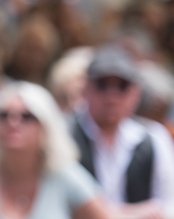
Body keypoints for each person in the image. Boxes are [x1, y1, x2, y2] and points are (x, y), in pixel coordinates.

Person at [0, 82, 108, 219]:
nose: (13, 123)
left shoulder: (66, 177)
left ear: (46, 128)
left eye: (26, 117)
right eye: (4, 115)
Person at [70, 46, 174, 218]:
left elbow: (168, 206)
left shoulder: (153, 138)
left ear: (136, 92)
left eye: (122, 86)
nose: (112, 96)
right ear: (85, 88)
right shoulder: (65, 134)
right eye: (102, 85)